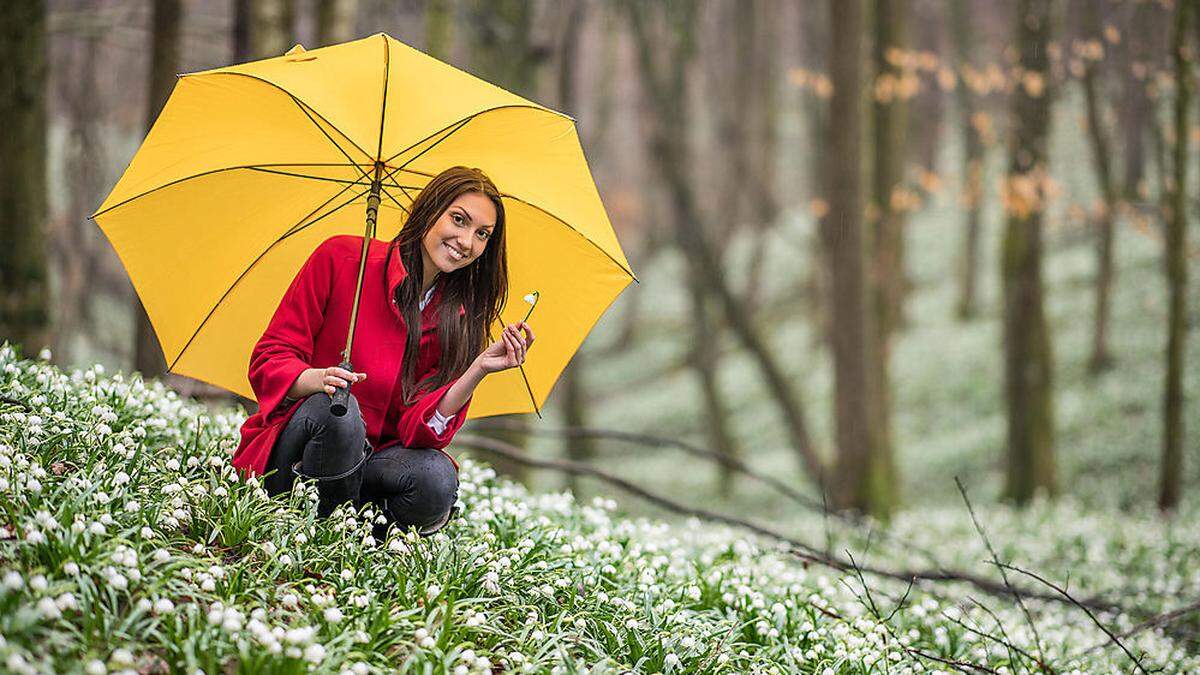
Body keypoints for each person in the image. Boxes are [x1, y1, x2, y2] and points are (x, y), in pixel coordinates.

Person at [231, 165, 534, 539]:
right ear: (431, 210)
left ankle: (357, 542)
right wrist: (318, 379)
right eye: (459, 220)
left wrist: (478, 370)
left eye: (482, 234)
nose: (467, 241)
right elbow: (268, 359)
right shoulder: (342, 259)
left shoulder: (456, 319)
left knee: (436, 477)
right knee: (339, 410)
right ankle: (325, 536)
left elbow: (417, 431)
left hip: (370, 463)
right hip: (298, 449)